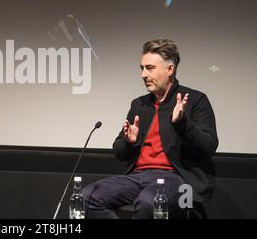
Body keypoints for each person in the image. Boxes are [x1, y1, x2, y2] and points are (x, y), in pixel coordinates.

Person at [82, 39, 218, 218]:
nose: (143, 74)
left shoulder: (194, 100)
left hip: (177, 179)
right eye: (142, 68)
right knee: (86, 197)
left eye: (150, 68)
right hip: (139, 176)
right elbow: (119, 152)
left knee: (149, 202)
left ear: (170, 69)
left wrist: (183, 123)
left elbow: (209, 146)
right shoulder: (139, 105)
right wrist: (130, 142)